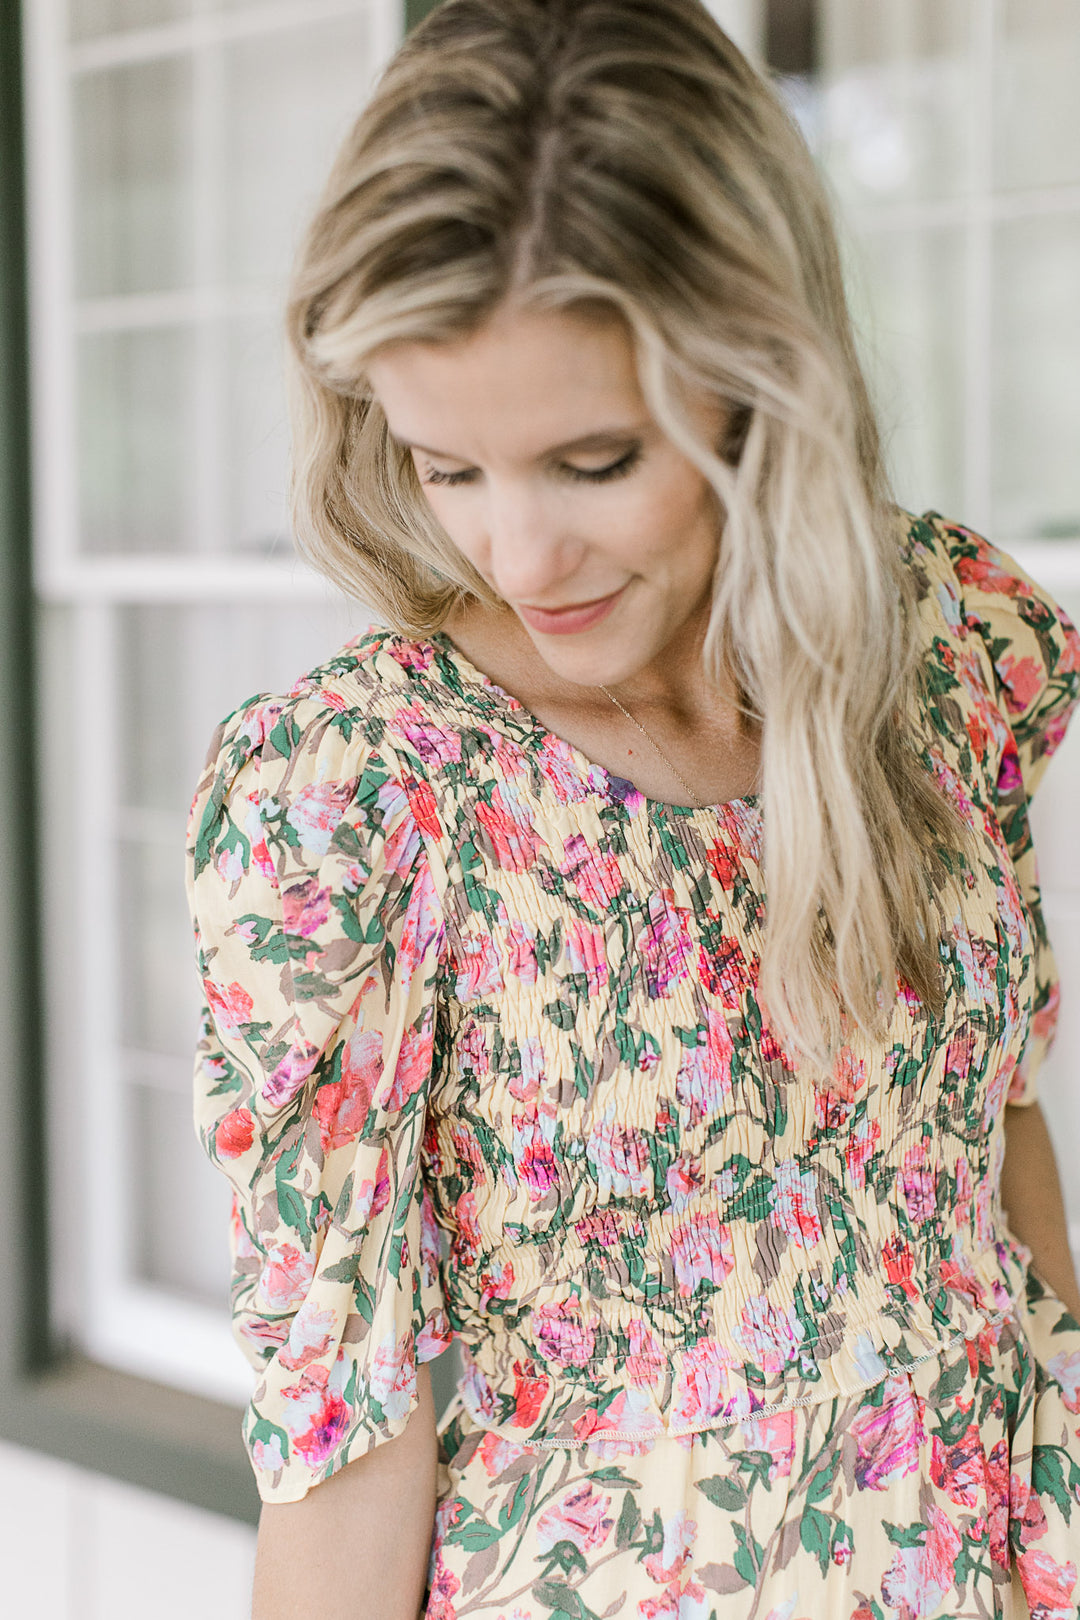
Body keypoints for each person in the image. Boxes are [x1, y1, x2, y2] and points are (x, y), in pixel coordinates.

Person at [184, 2, 1080, 1615]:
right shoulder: (362, 800)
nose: (520, 562)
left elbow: (1000, 1148)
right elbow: (345, 1442)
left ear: (761, 387)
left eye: (592, 461)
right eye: (448, 467)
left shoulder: (948, 649)